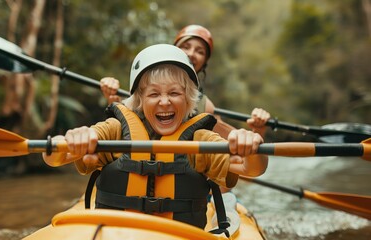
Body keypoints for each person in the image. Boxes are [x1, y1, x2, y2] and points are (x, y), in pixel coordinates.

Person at [44, 44, 268, 230]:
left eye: (174, 93)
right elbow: (53, 158)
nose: (164, 102)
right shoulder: (115, 130)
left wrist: (251, 146)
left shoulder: (200, 140)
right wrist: (77, 137)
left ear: (188, 99)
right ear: (140, 100)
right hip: (116, 234)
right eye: (154, 94)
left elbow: (252, 168)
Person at [100, 24, 270, 140]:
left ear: (205, 62)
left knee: (227, 195)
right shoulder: (142, 82)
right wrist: (111, 96)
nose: (191, 54)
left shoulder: (204, 106)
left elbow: (235, 149)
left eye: (200, 51)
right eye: (186, 46)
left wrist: (256, 132)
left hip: (183, 177)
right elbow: (121, 121)